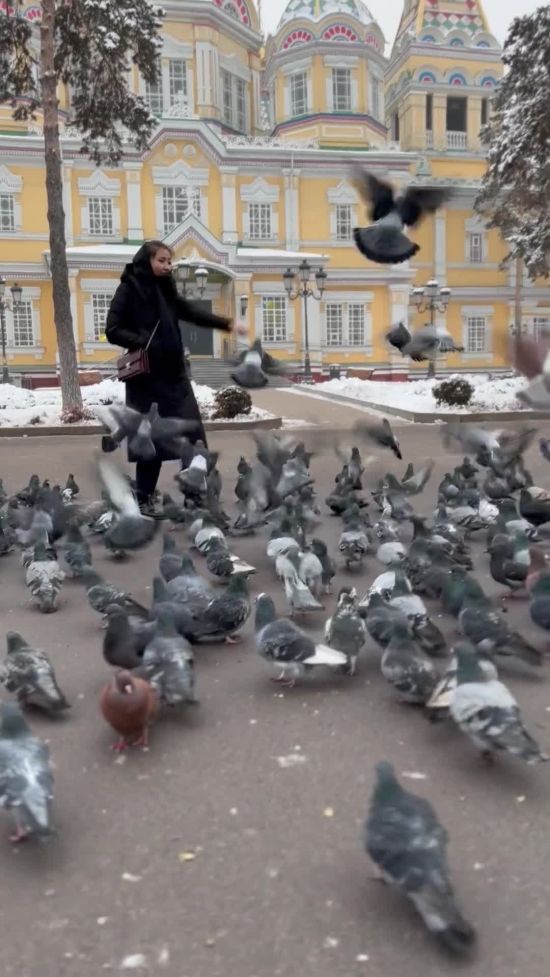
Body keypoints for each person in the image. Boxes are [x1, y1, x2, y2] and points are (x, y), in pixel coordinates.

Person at [105, 241, 237, 511]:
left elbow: (190, 311)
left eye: (169, 261)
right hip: (146, 379)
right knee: (148, 440)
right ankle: (143, 498)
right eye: (161, 261)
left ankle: (192, 494)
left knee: (191, 434)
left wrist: (225, 323)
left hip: (175, 376)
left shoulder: (167, 288)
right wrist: (142, 340)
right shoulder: (129, 289)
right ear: (147, 261)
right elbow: (113, 329)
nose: (167, 266)